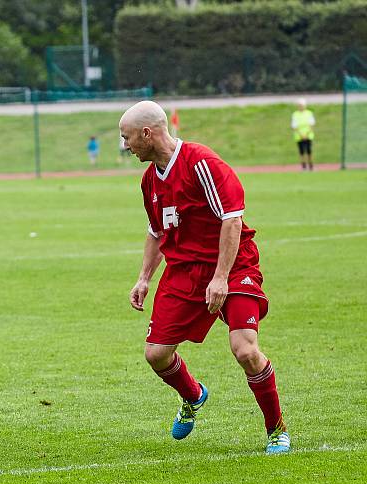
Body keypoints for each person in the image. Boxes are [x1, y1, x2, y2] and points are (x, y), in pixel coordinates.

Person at [120, 100, 290, 455]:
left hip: (233, 266)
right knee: (156, 354)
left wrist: (221, 277)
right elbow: (155, 231)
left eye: (128, 137)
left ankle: (276, 429)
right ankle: (193, 395)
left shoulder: (201, 163)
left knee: (245, 349)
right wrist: (144, 278)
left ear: (147, 134)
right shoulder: (150, 179)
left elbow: (232, 219)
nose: (126, 145)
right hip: (184, 272)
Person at [291, 98, 315, 171]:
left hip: (308, 135)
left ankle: (311, 165)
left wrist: (306, 134)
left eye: (302, 105)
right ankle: (303, 166)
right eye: (299, 105)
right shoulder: (295, 114)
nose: (301, 106)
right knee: (301, 152)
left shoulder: (309, 113)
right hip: (299, 136)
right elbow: (294, 126)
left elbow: (312, 124)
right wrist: (301, 134)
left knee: (309, 151)